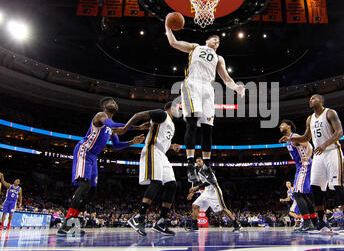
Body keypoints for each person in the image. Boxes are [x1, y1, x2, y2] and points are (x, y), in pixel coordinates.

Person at [165, 17, 245, 185]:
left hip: (208, 89)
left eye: (219, 41)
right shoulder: (195, 47)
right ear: (207, 40)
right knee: (192, 123)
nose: (217, 42)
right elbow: (173, 42)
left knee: (208, 129)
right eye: (214, 39)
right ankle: (191, 165)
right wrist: (168, 27)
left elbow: (226, 78)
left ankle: (206, 166)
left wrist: (236, 88)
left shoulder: (219, 58)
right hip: (192, 83)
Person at [57, 97, 145, 236]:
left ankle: (72, 224)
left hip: (93, 157)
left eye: (116, 103)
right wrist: (137, 126)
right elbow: (115, 125)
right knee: (84, 185)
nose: (114, 104)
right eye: (112, 102)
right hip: (84, 151)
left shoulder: (112, 129)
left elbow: (116, 145)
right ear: (104, 105)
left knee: (91, 191)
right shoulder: (101, 116)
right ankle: (66, 224)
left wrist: (131, 142)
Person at [280, 94, 344, 234]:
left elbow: (339, 132)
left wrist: (325, 144)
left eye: (314, 98)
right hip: (319, 155)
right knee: (315, 188)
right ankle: (322, 223)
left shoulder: (330, 113)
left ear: (321, 101)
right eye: (309, 99)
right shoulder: (310, 118)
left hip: (333, 150)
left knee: (338, 185)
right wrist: (290, 139)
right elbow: (306, 138)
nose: (310, 100)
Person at [116, 102, 181, 236]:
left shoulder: (172, 125)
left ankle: (161, 222)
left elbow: (163, 140)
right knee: (156, 182)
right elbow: (138, 115)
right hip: (152, 149)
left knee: (172, 185)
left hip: (162, 154)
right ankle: (138, 217)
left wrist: (172, 146)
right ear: (171, 108)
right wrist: (124, 128)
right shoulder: (162, 114)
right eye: (178, 107)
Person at [279, 120, 318, 232]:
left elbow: (309, 146)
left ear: (289, 126)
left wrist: (308, 157)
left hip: (304, 165)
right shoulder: (288, 139)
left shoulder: (295, 136)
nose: (280, 126)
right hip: (299, 166)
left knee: (297, 194)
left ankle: (307, 222)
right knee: (303, 196)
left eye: (283, 124)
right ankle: (314, 221)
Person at [185, 157, 241, 232]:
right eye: (196, 161)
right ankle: (195, 226)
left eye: (199, 161)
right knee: (195, 205)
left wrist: (196, 188)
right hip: (207, 192)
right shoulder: (199, 172)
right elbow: (202, 183)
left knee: (223, 209)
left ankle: (236, 224)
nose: (198, 163)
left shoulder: (207, 169)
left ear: (203, 162)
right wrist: (192, 192)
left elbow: (211, 182)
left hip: (215, 191)